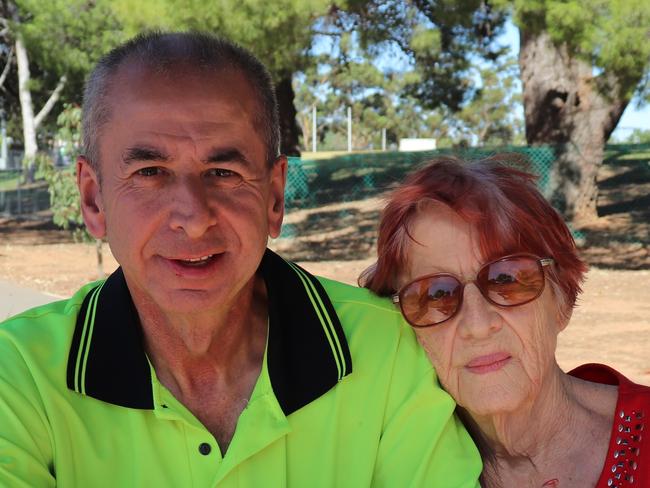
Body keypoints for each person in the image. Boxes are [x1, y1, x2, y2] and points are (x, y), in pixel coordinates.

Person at [0, 33, 481, 487]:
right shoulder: (19, 375)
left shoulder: (381, 349)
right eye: (150, 171)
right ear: (93, 199)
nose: (192, 217)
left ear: (274, 198)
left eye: (223, 171)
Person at [361, 155, 648, 488]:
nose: (477, 325)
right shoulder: (391, 465)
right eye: (435, 294)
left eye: (506, 279)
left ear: (563, 298)